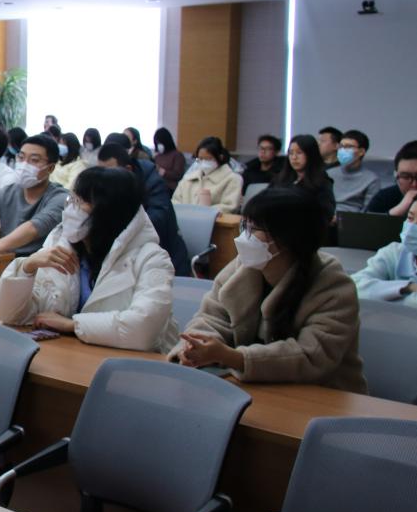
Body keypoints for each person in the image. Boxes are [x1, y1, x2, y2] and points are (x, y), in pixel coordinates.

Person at [170, 186, 366, 393]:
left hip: (323, 395)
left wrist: (233, 357)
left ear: (288, 238)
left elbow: (312, 356)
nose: (244, 237)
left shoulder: (333, 285)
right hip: (253, 388)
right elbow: (211, 318)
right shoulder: (242, 267)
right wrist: (194, 346)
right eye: (244, 226)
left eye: (254, 229)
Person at [0, 166, 178, 352]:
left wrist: (72, 325)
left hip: (130, 363)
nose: (71, 209)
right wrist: (27, 267)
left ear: (109, 211)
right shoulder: (59, 245)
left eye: (81, 202)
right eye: (72, 199)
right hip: (69, 355)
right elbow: (11, 315)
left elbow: (143, 330)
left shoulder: (152, 259)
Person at [96, 139, 193, 277]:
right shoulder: (103, 184)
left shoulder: (151, 180)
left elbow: (158, 218)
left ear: (127, 169)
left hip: (164, 259)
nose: (104, 179)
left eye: (110, 173)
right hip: (124, 260)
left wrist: (121, 229)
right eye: (100, 172)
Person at [352, 200, 417, 307]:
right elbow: (354, 286)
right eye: (410, 218)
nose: (412, 227)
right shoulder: (394, 252)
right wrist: (408, 287)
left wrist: (384, 295)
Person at [273, 134, 336, 223]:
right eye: (291, 153)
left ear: (311, 154)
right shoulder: (280, 179)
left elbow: (326, 213)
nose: (294, 157)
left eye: (299, 153)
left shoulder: (322, 182)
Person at [173, 136, 243, 213]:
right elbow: (175, 201)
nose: (204, 162)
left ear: (220, 157)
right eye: (200, 159)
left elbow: (229, 206)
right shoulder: (188, 178)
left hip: (214, 220)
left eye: (208, 159)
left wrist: (203, 212)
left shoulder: (232, 179)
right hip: (184, 218)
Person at [326, 129, 380, 213]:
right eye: (341, 146)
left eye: (348, 147)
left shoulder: (372, 179)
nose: (343, 150)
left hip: (353, 219)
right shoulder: (329, 174)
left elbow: (369, 211)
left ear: (361, 152)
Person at [366, 140, 417, 216]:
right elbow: (367, 222)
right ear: (396, 175)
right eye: (406, 177)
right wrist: (397, 211)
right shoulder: (384, 198)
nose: (414, 184)